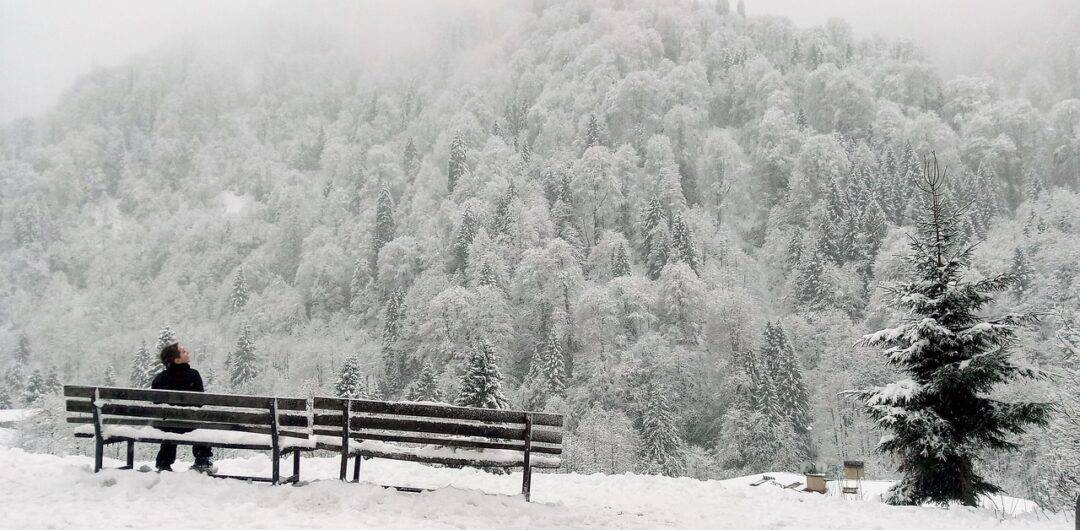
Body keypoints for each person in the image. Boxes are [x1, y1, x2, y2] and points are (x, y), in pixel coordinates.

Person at [152, 342, 213, 472]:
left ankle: (163, 462)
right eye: (184, 352)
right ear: (177, 360)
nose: (187, 352)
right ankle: (202, 460)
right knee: (199, 424)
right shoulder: (193, 375)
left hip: (166, 425)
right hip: (189, 425)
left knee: (169, 425)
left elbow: (156, 404)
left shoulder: (159, 378)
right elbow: (200, 402)